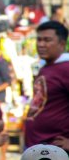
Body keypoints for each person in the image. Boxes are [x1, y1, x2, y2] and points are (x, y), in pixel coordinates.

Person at [25, 21, 69, 150]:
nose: (41, 44)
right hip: (39, 147)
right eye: (39, 40)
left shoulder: (66, 68)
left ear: (62, 44)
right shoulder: (47, 67)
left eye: (47, 40)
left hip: (55, 150)